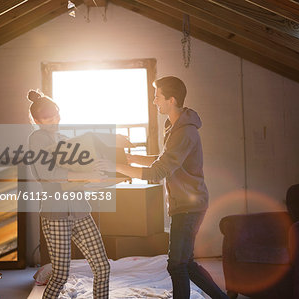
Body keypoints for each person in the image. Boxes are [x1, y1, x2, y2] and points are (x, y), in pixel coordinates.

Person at [99, 76, 229, 299]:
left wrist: (116, 166)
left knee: (176, 265)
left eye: (157, 96)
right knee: (186, 264)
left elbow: (158, 173)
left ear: (172, 99)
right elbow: (162, 160)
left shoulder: (184, 132)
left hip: (189, 207)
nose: (154, 101)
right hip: (186, 204)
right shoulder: (175, 126)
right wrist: (130, 159)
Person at [26, 89, 110, 299]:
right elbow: (48, 173)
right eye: (47, 117)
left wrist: (96, 169)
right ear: (36, 120)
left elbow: (79, 170)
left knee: (103, 267)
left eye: (56, 114)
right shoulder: (37, 139)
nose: (54, 120)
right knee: (61, 274)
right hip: (56, 215)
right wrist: (86, 174)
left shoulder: (65, 139)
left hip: (81, 210)